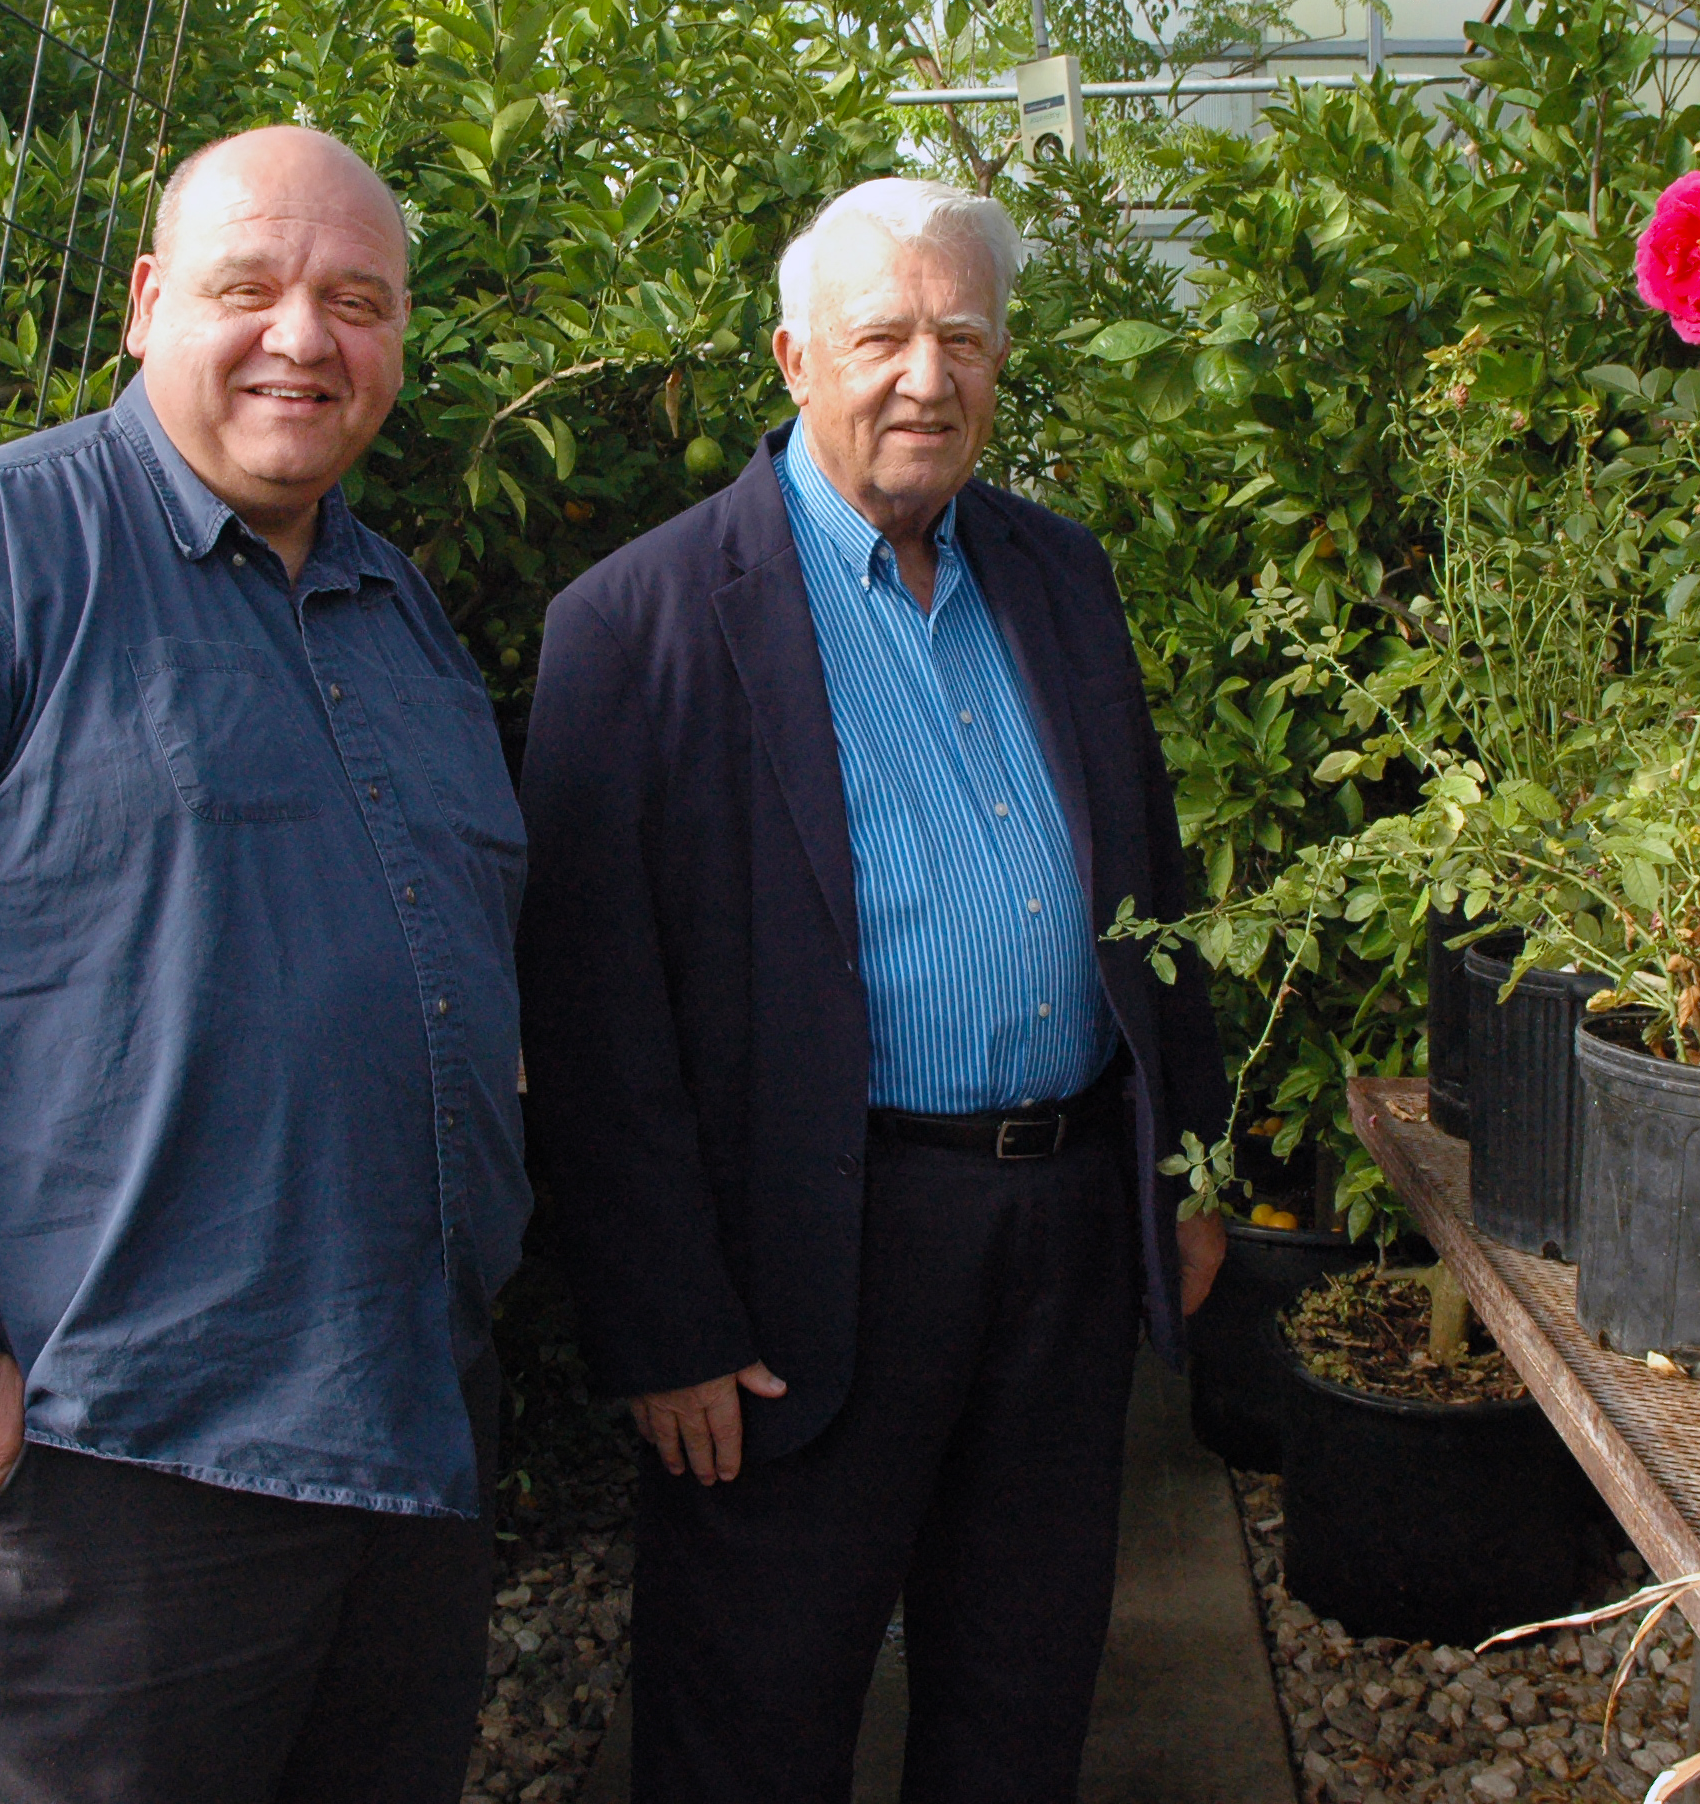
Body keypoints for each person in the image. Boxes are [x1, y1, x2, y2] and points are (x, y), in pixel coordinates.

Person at [0, 125, 526, 1804]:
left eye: (358, 301)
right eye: (248, 287)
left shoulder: (392, 605)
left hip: (411, 1423)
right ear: (144, 305)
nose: (305, 337)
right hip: (111, 1466)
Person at [516, 176, 1228, 1802]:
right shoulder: (635, 627)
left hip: (1058, 1235)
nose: (927, 376)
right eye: (884, 336)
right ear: (792, 356)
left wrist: (1187, 1174)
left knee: (1023, 1683)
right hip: (802, 1259)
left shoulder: (1060, 574)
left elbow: (1151, 893)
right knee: (753, 1709)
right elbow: (593, 1013)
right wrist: (663, 1325)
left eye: (962, 338)